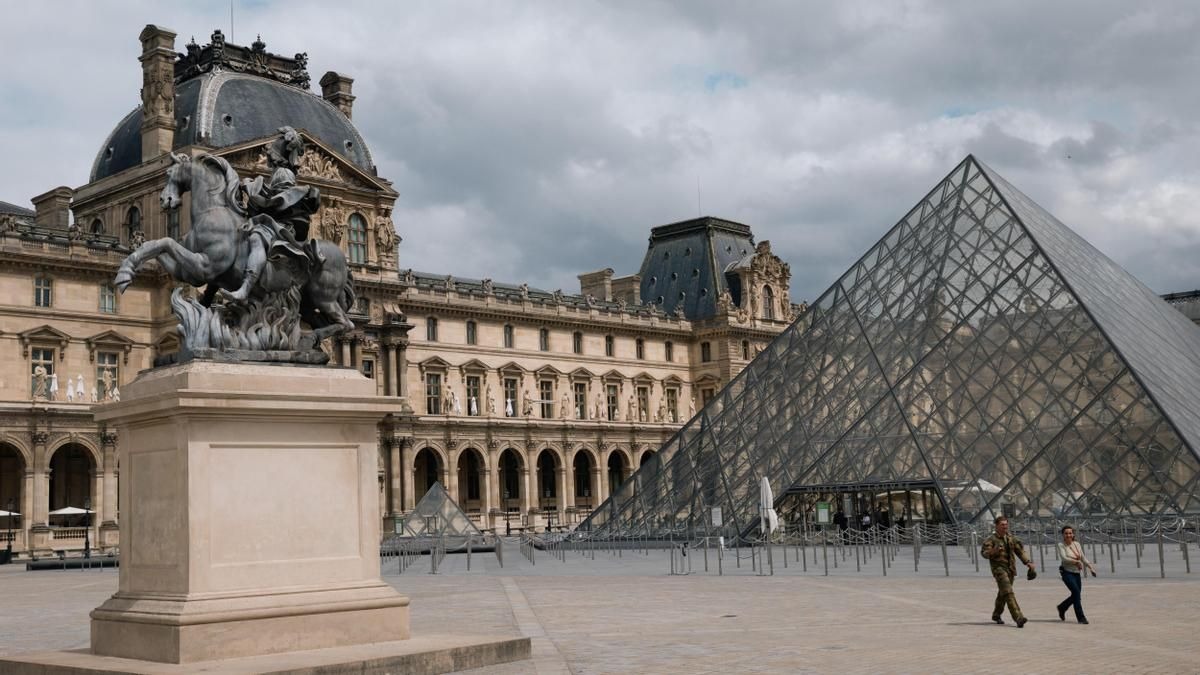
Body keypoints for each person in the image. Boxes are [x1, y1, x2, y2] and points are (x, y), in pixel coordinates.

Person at [981, 515, 1035, 627]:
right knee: (1008, 592)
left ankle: (996, 614)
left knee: (1003, 593)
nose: (1005, 527)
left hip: (1010, 570)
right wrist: (993, 551)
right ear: (996, 526)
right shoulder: (991, 540)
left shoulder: (1011, 538)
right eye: (1002, 525)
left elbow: (1019, 551)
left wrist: (1028, 562)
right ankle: (1018, 617)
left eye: (1006, 524)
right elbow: (984, 554)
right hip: (999, 570)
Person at [1055, 525, 1095, 624]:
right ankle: (1081, 617)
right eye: (1066, 533)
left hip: (1076, 573)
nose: (1068, 535)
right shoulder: (1061, 545)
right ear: (1063, 535)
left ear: (1073, 534)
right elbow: (1064, 558)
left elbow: (1082, 557)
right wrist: (1075, 562)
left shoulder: (1077, 544)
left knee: (1076, 595)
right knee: (1076, 593)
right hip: (1067, 573)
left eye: (1070, 533)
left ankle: (1062, 607)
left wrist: (1090, 567)